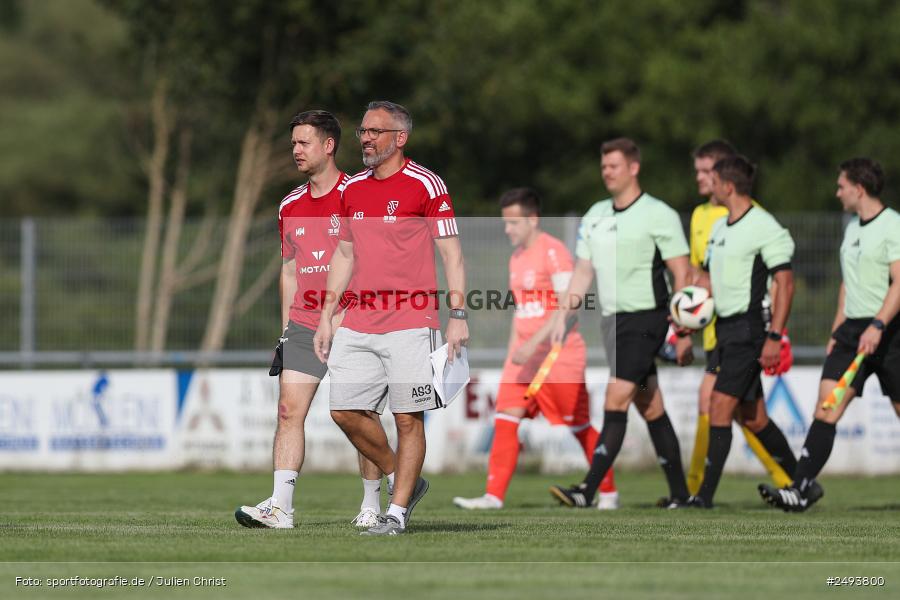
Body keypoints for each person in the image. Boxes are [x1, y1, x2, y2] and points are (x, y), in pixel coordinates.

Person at [314, 100, 469, 535]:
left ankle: (396, 514)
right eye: (363, 130)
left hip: (411, 322)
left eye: (375, 131)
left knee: (407, 418)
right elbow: (344, 253)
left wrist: (458, 313)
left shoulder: (427, 185)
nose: (365, 138)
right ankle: (406, 479)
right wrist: (328, 314)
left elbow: (452, 255)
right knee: (344, 410)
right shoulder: (353, 188)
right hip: (358, 321)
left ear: (400, 138)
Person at [235, 110, 387, 530]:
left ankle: (372, 504)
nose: (296, 150)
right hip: (303, 326)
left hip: (354, 322)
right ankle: (281, 508)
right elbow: (288, 271)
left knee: (360, 415)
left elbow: (376, 263)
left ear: (329, 145)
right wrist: (286, 330)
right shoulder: (289, 205)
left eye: (304, 143)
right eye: (294, 143)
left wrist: (346, 316)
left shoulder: (359, 193)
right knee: (288, 411)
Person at [548, 138, 693, 509]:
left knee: (616, 397)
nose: (606, 172)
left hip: (648, 318)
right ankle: (681, 495)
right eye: (603, 166)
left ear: (633, 168)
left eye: (613, 165)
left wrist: (682, 328)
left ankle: (587, 490)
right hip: (613, 323)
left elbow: (681, 273)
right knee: (650, 406)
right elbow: (582, 272)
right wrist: (562, 315)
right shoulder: (595, 213)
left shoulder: (659, 214)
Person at [452, 188, 618, 511]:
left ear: (533, 219)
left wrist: (534, 343)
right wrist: (514, 352)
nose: (507, 229)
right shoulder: (516, 258)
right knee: (505, 417)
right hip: (524, 359)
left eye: (513, 223)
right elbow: (522, 310)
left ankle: (608, 491)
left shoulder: (554, 252)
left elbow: (568, 308)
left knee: (578, 425)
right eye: (505, 223)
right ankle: (493, 496)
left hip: (558, 354)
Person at [760, 157, 900, 512]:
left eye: (841, 186)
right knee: (826, 409)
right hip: (852, 333)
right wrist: (838, 328)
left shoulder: (893, 226)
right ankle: (801, 489)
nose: (837, 193)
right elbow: (847, 282)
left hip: (890, 332)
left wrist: (878, 325)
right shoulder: (852, 228)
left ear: (859, 188)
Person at [684, 140, 794, 499]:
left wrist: (775, 336)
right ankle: (802, 483)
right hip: (724, 330)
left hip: (749, 330)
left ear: (727, 186)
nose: (708, 186)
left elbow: (785, 282)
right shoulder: (719, 229)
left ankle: (702, 498)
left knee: (718, 406)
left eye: (712, 180)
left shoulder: (764, 226)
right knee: (754, 418)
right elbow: (710, 283)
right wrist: (685, 315)